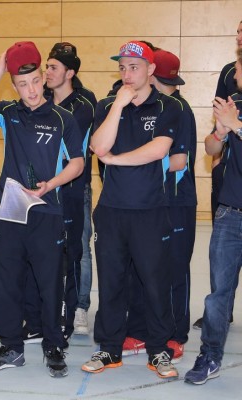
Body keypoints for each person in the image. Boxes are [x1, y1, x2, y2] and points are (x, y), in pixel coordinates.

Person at [0, 41, 84, 377]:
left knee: (49, 284)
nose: (31, 90)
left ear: (43, 78)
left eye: (35, 81)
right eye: (22, 84)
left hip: (47, 212)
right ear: (14, 86)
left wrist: (51, 184)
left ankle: (53, 346)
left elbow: (78, 163)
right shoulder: (8, 113)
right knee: (5, 282)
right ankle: (11, 347)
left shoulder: (63, 118)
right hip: (9, 211)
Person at [82, 41, 182, 379]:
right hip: (112, 210)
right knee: (111, 282)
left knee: (155, 282)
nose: (127, 74)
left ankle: (159, 350)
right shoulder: (107, 105)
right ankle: (109, 348)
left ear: (151, 70)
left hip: (150, 211)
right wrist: (118, 106)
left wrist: (115, 161)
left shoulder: (168, 106)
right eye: (122, 67)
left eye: (134, 67)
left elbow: (158, 150)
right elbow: (99, 146)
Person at [122, 49, 197, 363]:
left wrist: (135, 164)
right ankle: (141, 331)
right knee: (143, 267)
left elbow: (179, 161)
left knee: (174, 269)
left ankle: (175, 335)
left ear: (152, 74)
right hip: (149, 202)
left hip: (175, 202)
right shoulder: (146, 107)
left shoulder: (178, 109)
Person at [23, 42, 95, 342]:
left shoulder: (85, 104)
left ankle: (79, 306)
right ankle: (46, 309)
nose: (47, 72)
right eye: (47, 67)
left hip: (75, 188)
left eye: (53, 67)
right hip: (43, 189)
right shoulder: (41, 99)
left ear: (70, 73)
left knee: (78, 249)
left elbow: (66, 148)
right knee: (43, 249)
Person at [184, 48, 242, 385]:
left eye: (239, 67)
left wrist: (237, 126)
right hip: (230, 211)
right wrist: (220, 132)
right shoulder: (234, 103)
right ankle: (210, 355)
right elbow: (210, 148)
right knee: (219, 292)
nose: (234, 74)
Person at [192, 20, 242, 330]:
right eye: (237, 31)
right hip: (231, 181)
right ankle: (221, 313)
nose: (238, 36)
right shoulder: (228, 74)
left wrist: (234, 125)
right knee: (223, 251)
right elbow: (217, 132)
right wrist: (219, 145)